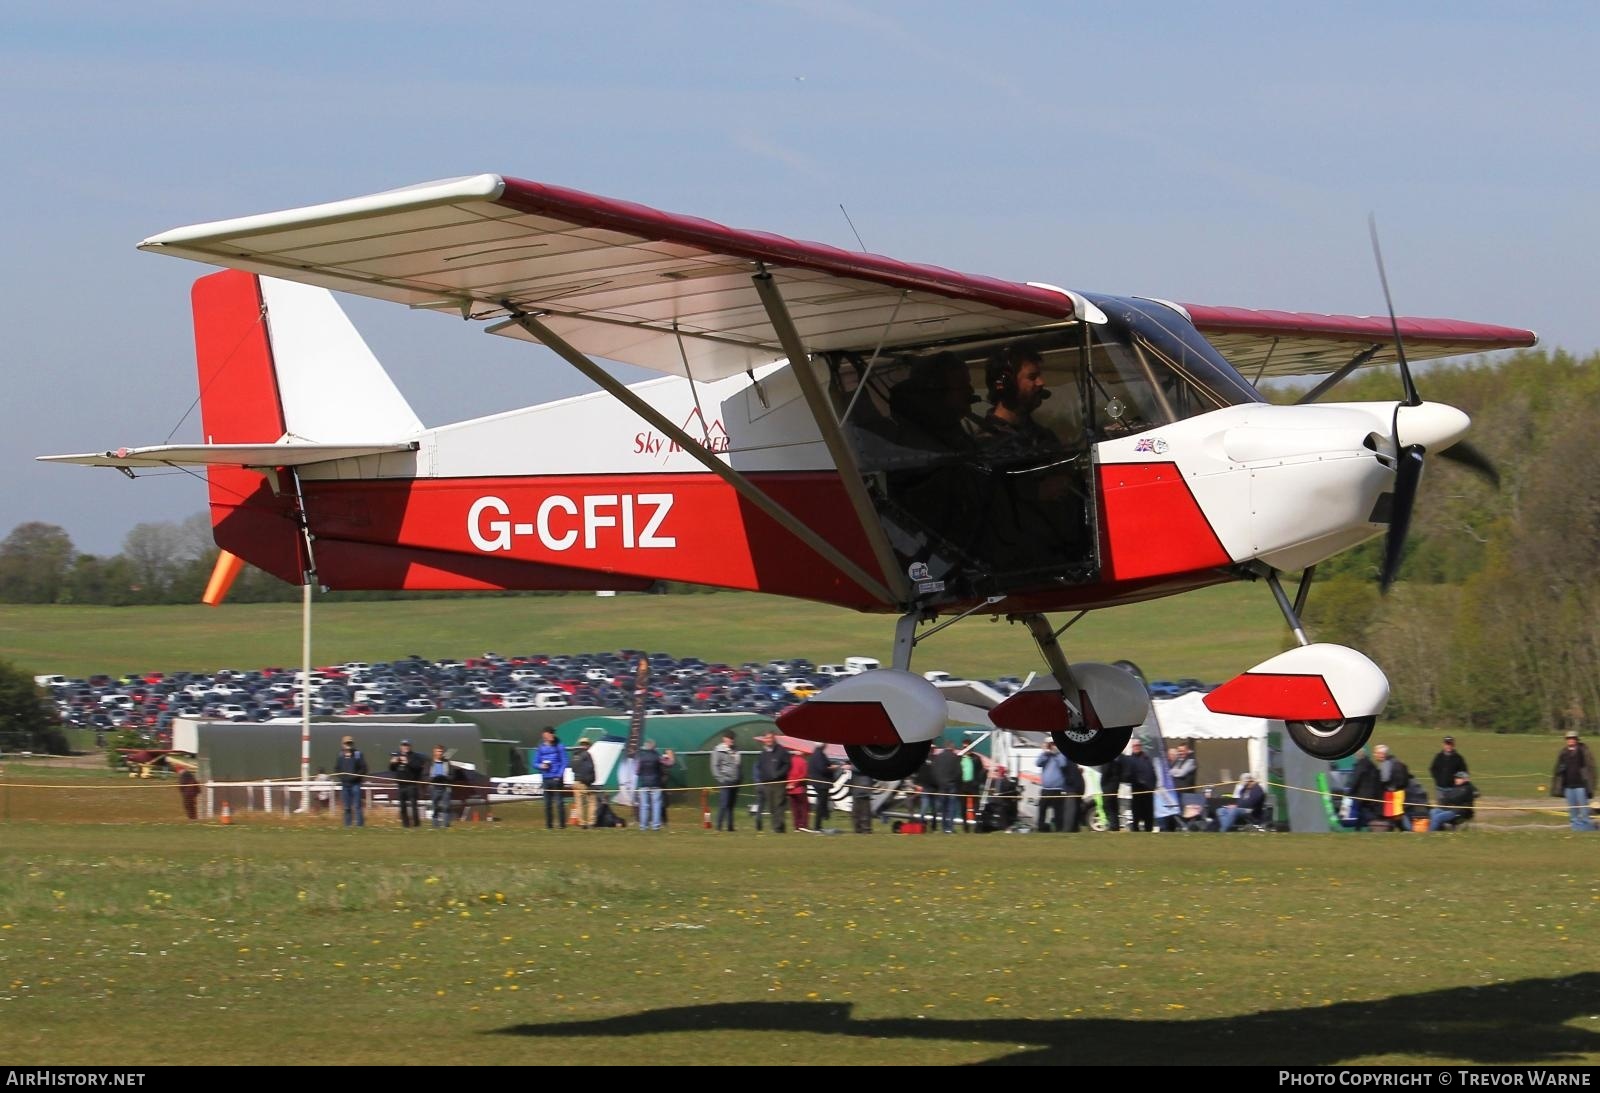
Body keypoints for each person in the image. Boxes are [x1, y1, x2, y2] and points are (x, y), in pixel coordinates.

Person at [1551, 731, 1596, 832]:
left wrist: (1589, 783)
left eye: (1572, 738)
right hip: (1568, 786)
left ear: (1576, 739)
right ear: (1566, 740)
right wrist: (1560, 770)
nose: (1570, 740)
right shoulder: (1563, 752)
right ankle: (1575, 828)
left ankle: (1588, 827)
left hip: (1581, 785)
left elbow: (1590, 767)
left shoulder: (1583, 750)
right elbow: (1558, 767)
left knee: (1584, 809)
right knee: (1572, 809)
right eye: (1568, 738)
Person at [754, 732, 790, 832]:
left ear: (774, 739)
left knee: (779, 804)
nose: (768, 740)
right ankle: (778, 826)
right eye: (766, 738)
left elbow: (787, 765)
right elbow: (760, 766)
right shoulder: (763, 753)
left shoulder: (781, 751)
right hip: (767, 783)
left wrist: (779, 774)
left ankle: (777, 827)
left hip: (779, 782)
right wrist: (762, 778)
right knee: (771, 806)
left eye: (770, 738)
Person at [1119, 738, 1157, 831]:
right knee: (1136, 815)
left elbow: (1152, 773)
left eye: (1138, 745)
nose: (1137, 747)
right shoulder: (1129, 759)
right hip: (1137, 792)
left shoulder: (1146, 758)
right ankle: (1135, 832)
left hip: (1148, 792)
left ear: (1141, 746)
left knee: (1148, 815)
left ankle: (1148, 831)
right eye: (1135, 746)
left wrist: (1153, 786)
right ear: (1132, 747)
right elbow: (1126, 775)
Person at [535, 729, 569, 829]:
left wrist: (559, 775)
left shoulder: (559, 746)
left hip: (556, 778)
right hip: (546, 778)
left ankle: (562, 825)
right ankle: (549, 825)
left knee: (559, 802)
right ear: (544, 735)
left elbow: (564, 762)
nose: (550, 736)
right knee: (547, 803)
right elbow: (535, 762)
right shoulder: (540, 748)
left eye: (551, 734)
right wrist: (541, 766)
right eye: (547, 734)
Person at [1035, 740, 1070, 833]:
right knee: (1042, 810)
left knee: (1058, 811)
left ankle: (1059, 829)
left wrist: (1056, 753)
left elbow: (1063, 764)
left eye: (1053, 743)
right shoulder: (1045, 755)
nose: (1052, 746)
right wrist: (1045, 753)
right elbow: (1037, 763)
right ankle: (1041, 828)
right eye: (1050, 744)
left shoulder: (1061, 754)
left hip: (1058, 789)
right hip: (1045, 789)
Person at [334, 735, 368, 827]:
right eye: (346, 743)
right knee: (347, 807)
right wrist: (342, 777)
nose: (348, 745)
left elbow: (364, 768)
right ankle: (347, 825)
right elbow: (337, 769)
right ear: (343, 744)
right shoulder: (340, 755)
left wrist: (356, 776)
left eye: (350, 743)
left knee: (357, 806)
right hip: (345, 784)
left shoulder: (358, 754)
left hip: (355, 784)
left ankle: (359, 825)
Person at [711, 730, 742, 832]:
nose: (732, 740)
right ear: (724, 739)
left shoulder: (736, 750)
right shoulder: (718, 750)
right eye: (730, 738)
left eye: (733, 738)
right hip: (725, 781)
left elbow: (738, 765)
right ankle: (718, 826)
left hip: (735, 781)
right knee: (723, 804)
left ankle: (730, 827)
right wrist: (721, 779)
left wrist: (739, 777)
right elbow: (715, 766)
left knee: (731, 805)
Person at [389, 739, 424, 828]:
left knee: (413, 806)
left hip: (411, 785)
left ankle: (416, 825)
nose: (405, 747)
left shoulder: (415, 756)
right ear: (401, 747)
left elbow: (418, 767)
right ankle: (405, 825)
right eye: (404, 745)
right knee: (402, 806)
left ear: (410, 746)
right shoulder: (397, 755)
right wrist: (393, 762)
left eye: (407, 745)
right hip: (401, 785)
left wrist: (408, 762)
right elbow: (392, 769)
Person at [634, 739, 667, 831]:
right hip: (656, 783)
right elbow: (668, 763)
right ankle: (656, 826)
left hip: (643, 783)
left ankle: (643, 826)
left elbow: (636, 771)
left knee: (644, 805)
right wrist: (670, 756)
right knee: (656, 805)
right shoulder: (657, 756)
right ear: (654, 747)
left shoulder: (640, 757)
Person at [931, 741, 962, 833]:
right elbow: (959, 772)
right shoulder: (955, 757)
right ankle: (950, 827)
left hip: (941, 785)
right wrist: (954, 780)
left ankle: (944, 827)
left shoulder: (938, 757)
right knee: (951, 807)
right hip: (951, 784)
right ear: (952, 747)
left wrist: (939, 781)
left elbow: (934, 770)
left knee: (943, 807)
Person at [806, 744, 837, 831]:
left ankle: (822, 819)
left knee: (821, 804)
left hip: (818, 782)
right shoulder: (819, 755)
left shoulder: (815, 754)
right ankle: (818, 826)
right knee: (821, 805)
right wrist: (832, 768)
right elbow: (822, 768)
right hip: (821, 783)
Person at [569, 738, 597, 829]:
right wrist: (590, 781)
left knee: (578, 803)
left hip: (575, 781)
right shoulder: (587, 755)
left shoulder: (575, 755)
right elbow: (590, 769)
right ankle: (591, 822)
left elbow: (573, 768)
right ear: (588, 745)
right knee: (592, 801)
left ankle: (582, 823)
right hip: (585, 783)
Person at [426, 744, 453, 828]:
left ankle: (446, 824)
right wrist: (431, 779)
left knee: (446, 806)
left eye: (441, 751)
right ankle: (435, 825)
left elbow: (452, 775)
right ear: (434, 752)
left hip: (445, 786)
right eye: (438, 751)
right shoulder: (429, 763)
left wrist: (446, 778)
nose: (440, 753)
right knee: (435, 806)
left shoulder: (447, 763)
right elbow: (424, 775)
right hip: (434, 787)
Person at [787, 748, 811, 831]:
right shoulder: (803, 762)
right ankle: (803, 825)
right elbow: (804, 775)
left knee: (795, 808)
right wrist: (794, 784)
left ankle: (796, 826)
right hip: (800, 788)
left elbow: (786, 773)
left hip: (790, 789)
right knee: (804, 807)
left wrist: (789, 784)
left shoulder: (790, 761)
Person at [849, 764, 875, 834]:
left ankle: (866, 829)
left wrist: (850, 767)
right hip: (856, 788)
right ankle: (858, 828)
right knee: (856, 811)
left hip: (864, 788)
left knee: (865, 811)